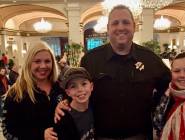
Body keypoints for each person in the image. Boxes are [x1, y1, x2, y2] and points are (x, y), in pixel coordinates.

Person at [55, 5, 171, 140]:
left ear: (134, 26)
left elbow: (171, 87)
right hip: (102, 136)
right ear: (108, 28)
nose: (121, 27)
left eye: (126, 22)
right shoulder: (90, 60)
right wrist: (63, 103)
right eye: (115, 23)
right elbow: (75, 88)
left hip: (140, 136)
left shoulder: (150, 58)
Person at [1, 42, 65, 140]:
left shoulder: (60, 86)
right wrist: (39, 135)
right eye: (37, 61)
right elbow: (7, 131)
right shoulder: (16, 93)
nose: (43, 66)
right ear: (29, 63)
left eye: (47, 61)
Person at [54, 67, 95, 140]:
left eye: (84, 84)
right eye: (73, 86)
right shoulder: (63, 118)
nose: (80, 89)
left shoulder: (96, 106)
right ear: (68, 92)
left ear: (91, 86)